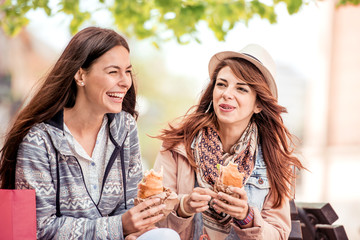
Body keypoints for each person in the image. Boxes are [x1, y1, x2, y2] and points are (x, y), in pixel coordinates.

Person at [0, 27, 179, 240]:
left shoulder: (125, 127)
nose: (125, 82)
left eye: (128, 71)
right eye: (113, 72)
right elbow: (40, 228)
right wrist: (119, 227)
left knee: (166, 236)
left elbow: (129, 205)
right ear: (80, 74)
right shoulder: (39, 140)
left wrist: (136, 229)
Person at [153, 44, 305, 239]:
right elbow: (153, 220)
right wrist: (184, 206)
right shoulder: (177, 146)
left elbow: (278, 233)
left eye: (241, 89)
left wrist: (246, 216)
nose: (227, 93)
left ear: (258, 104)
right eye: (222, 84)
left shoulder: (273, 158)